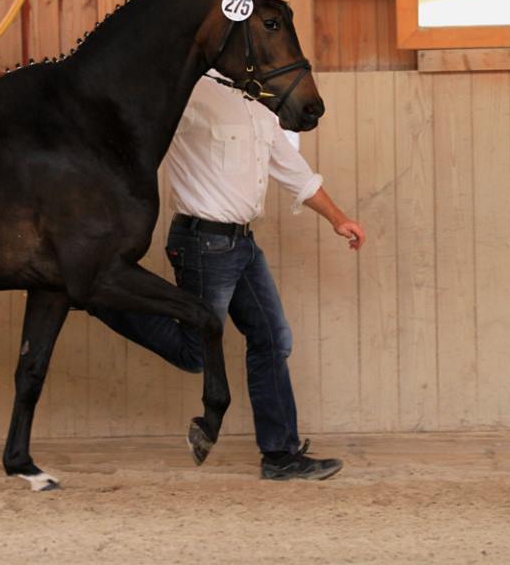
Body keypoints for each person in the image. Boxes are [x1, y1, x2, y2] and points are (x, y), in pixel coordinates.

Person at [89, 75, 365, 480]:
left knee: (273, 340)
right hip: (203, 244)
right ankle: (98, 298)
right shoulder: (191, 90)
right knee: (195, 353)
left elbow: (297, 174)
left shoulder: (261, 108)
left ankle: (280, 456)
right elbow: (138, 121)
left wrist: (340, 220)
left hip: (243, 246)